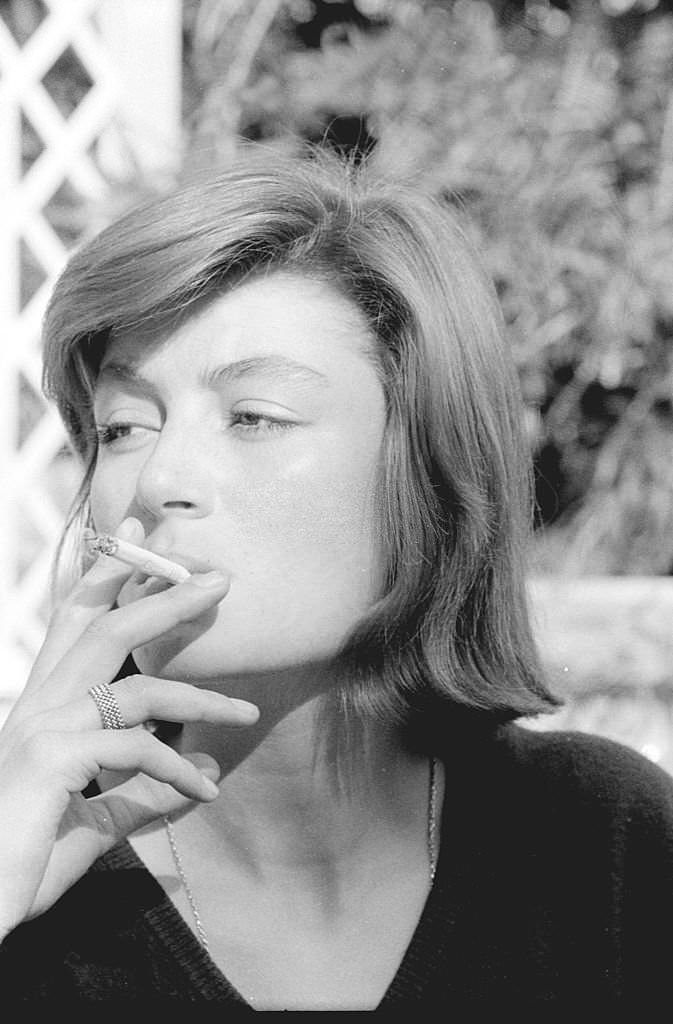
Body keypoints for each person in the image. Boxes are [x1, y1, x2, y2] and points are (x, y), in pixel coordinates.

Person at [1, 145, 672, 1012]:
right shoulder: (31, 856)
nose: (161, 477)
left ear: (426, 475)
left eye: (253, 417)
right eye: (124, 426)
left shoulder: (601, 847)